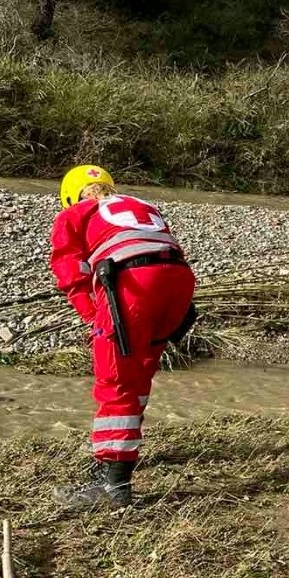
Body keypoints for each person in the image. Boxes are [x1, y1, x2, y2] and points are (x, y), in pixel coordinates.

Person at [49, 165, 196, 508]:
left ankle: (112, 486)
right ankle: (123, 451)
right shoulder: (141, 204)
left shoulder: (75, 213)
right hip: (176, 282)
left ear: (70, 196)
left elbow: (70, 272)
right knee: (140, 371)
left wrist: (94, 318)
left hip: (132, 285)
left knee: (116, 381)